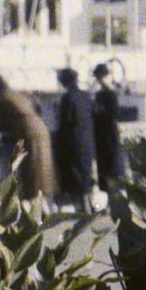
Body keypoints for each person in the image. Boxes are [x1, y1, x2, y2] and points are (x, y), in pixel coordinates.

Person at [0, 75, 57, 201]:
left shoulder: (3, 98)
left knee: (32, 171)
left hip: (28, 132)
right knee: (43, 169)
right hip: (41, 129)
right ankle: (44, 201)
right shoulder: (19, 95)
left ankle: (36, 203)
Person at [51, 66, 97, 209]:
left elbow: (65, 124)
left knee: (76, 179)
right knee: (85, 176)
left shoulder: (68, 98)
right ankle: (89, 207)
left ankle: (83, 210)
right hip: (88, 143)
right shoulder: (86, 96)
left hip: (73, 144)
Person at [90, 64, 126, 197]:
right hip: (103, 138)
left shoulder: (110, 95)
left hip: (109, 137)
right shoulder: (100, 95)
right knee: (106, 173)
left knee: (113, 171)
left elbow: (114, 115)